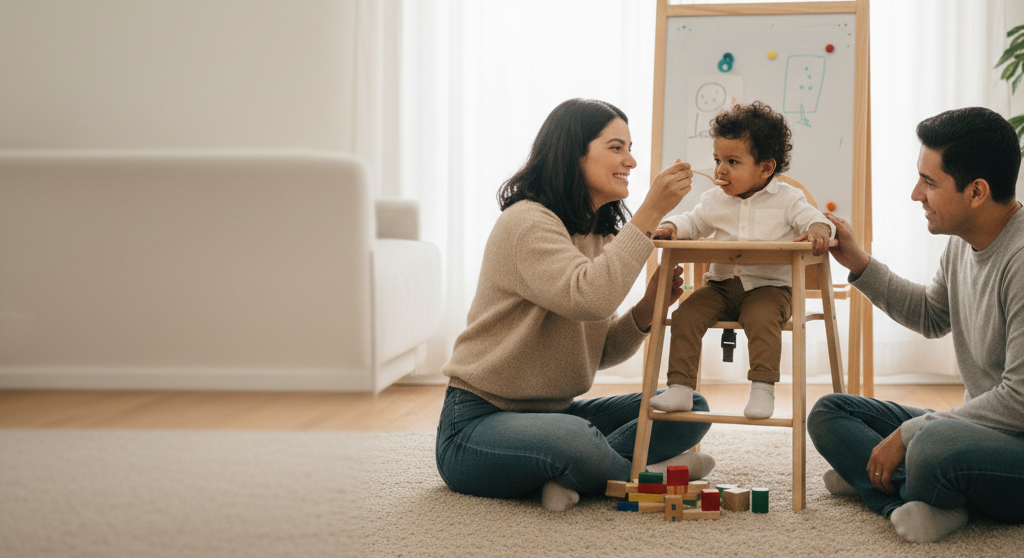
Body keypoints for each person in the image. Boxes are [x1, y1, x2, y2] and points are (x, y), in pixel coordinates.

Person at [435, 98, 717, 512]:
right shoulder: (528, 223)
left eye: (630, 147)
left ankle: (574, 474)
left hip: (556, 413)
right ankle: (641, 474)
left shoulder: (595, 232)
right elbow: (590, 298)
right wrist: (652, 210)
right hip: (475, 426)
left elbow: (596, 353)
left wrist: (645, 309)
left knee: (689, 406)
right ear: (574, 154)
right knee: (575, 439)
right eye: (616, 147)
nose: (632, 162)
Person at [808, 106, 1024, 543]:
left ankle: (882, 482)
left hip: (1013, 438)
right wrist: (860, 263)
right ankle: (911, 499)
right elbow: (931, 316)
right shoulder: (962, 245)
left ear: (977, 191)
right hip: (977, 426)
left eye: (929, 182)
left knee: (932, 447)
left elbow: (1019, 402)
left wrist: (913, 431)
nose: (915, 194)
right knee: (830, 413)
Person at [649, 101, 834, 418]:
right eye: (717, 159)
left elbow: (817, 221)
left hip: (770, 289)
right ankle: (680, 388)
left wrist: (818, 230)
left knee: (763, 321)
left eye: (732, 161)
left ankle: (763, 389)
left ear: (765, 168)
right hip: (720, 286)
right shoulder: (713, 200)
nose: (720, 169)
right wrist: (671, 227)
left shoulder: (788, 200)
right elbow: (693, 222)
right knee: (685, 315)